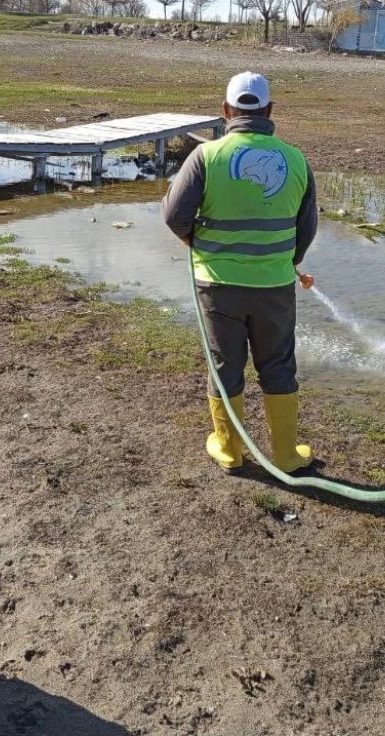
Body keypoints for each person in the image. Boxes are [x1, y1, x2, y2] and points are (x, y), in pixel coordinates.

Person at [162, 71, 318, 475]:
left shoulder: (207, 156)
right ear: (269, 110)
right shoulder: (296, 158)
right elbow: (307, 227)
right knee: (278, 363)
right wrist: (289, 261)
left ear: (226, 110)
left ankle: (230, 451)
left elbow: (175, 216)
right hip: (274, 286)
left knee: (224, 363)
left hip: (217, 285)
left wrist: (194, 241)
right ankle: (285, 454)